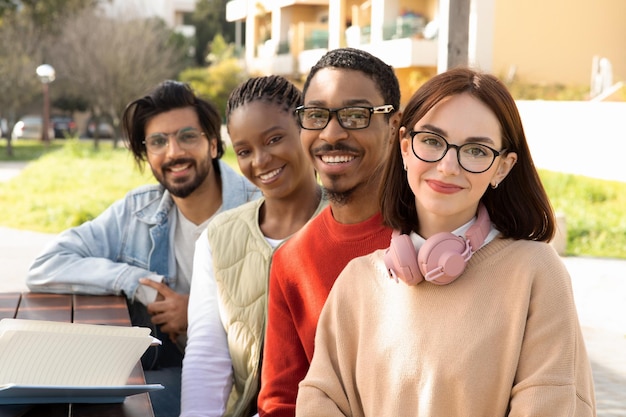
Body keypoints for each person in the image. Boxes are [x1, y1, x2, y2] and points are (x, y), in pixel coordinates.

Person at [295, 67, 596, 416]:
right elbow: (320, 399)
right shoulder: (358, 281)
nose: (448, 166)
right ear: (405, 147)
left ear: (503, 167)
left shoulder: (536, 272)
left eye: (477, 150)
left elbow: (549, 404)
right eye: (432, 142)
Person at [26, 80, 261, 417]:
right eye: (158, 142)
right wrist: (135, 280)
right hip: (169, 369)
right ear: (147, 155)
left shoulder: (259, 208)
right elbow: (46, 265)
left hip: (240, 387)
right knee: (43, 400)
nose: (173, 152)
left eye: (187, 136)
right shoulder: (138, 212)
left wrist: (197, 315)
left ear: (212, 144)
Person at [257, 48, 402, 416]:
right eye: (317, 116)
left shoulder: (442, 240)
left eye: (356, 115)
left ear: (394, 126)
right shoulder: (291, 261)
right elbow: (281, 404)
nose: (332, 134)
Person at [181, 75, 325, 417]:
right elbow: (206, 357)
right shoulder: (218, 238)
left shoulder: (349, 224)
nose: (260, 161)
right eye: (244, 151)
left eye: (274, 139)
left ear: (306, 127)